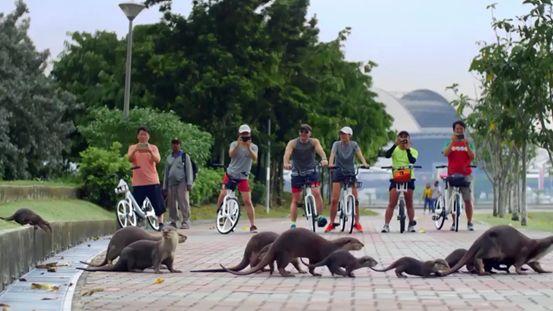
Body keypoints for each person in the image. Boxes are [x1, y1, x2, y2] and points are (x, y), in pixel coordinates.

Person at [283, 124, 328, 229]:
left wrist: (324, 158)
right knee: (296, 199)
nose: (304, 134)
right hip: (297, 173)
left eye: (306, 132)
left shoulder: (314, 142)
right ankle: (293, 223)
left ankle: (320, 216)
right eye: (302, 132)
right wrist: (286, 163)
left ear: (310, 133)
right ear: (299, 133)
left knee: (316, 192)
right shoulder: (293, 143)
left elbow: (320, 150)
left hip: (311, 171)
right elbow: (287, 154)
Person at [215, 124, 259, 233]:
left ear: (249, 134)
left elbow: (254, 158)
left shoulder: (253, 146)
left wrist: (248, 146)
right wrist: (238, 145)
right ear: (239, 134)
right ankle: (218, 213)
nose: (245, 136)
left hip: (243, 177)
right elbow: (231, 154)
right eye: (243, 134)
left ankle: (252, 225)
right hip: (231, 174)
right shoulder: (234, 144)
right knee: (223, 194)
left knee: (247, 200)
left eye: (247, 134)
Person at [325, 126, 369, 233]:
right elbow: (332, 155)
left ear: (350, 135)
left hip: (350, 172)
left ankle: (357, 223)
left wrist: (364, 163)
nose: (342, 136)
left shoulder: (354, 144)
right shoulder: (336, 144)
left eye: (345, 134)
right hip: (338, 171)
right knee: (334, 199)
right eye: (341, 134)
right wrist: (330, 164)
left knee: (355, 199)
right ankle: (331, 223)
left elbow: (360, 155)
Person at [127, 126, 166, 227]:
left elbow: (157, 160)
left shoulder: (153, 147)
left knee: (158, 203)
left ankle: (160, 222)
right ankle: (135, 222)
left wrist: (149, 150)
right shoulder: (132, 147)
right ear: (137, 136)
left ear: (148, 136)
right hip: (138, 182)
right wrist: (136, 149)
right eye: (141, 134)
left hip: (152, 181)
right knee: (136, 204)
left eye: (145, 134)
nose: (143, 136)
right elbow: (130, 159)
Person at [381, 131, 418, 233]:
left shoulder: (413, 150)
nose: (403, 139)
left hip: (409, 177)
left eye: (405, 137)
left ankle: (411, 225)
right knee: (391, 203)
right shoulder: (395, 149)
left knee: (409, 203)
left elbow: (412, 161)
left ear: (409, 139)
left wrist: (407, 149)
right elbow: (387, 155)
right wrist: (395, 145)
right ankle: (386, 225)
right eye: (401, 137)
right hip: (395, 177)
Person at [443, 120, 475, 231]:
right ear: (454, 130)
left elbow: (472, 157)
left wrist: (467, 145)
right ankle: (453, 222)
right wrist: (452, 142)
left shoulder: (468, 142)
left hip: (465, 174)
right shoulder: (449, 142)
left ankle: (470, 222)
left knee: (467, 200)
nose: (459, 131)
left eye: (461, 129)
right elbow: (446, 153)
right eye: (457, 129)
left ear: (464, 130)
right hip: (452, 174)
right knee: (452, 199)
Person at [162, 138, 193, 229]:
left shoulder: (184, 156)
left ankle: (186, 220)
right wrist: (164, 185)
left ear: (180, 145)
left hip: (182, 181)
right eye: (173, 143)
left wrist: (189, 183)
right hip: (171, 182)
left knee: (183, 201)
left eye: (177, 143)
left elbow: (189, 170)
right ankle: (173, 221)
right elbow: (166, 172)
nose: (175, 145)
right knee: (171, 203)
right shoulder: (169, 157)